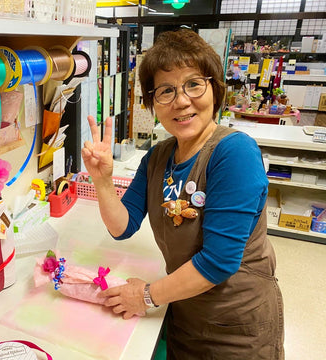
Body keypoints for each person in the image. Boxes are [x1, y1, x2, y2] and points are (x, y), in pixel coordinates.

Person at [81, 29, 284, 359]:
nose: (181, 100)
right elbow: (123, 227)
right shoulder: (158, 157)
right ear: (153, 104)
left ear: (214, 89)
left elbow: (218, 262)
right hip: (185, 312)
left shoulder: (234, 153)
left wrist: (145, 295)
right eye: (166, 90)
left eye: (193, 84)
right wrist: (103, 181)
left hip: (237, 328)